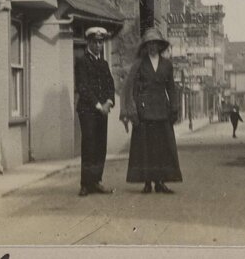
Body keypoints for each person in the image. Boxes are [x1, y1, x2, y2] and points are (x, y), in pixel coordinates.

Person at [120, 27, 183, 194]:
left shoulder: (167, 65)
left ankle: (160, 182)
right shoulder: (139, 65)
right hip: (144, 112)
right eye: (149, 44)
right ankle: (147, 182)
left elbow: (171, 88)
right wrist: (133, 109)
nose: (152, 47)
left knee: (162, 148)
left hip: (162, 111)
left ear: (160, 46)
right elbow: (132, 88)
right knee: (145, 148)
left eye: (155, 43)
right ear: (145, 47)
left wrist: (174, 107)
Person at [74, 26, 116, 196]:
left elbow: (110, 86)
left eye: (101, 42)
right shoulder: (82, 62)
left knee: (100, 146)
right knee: (89, 145)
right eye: (96, 42)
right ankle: (86, 183)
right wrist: (99, 106)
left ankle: (97, 181)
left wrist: (109, 102)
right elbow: (83, 88)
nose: (99, 45)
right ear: (89, 43)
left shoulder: (104, 64)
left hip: (102, 111)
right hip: (88, 111)